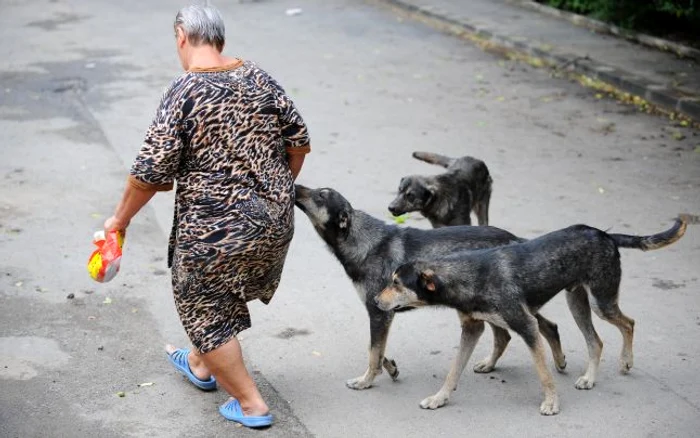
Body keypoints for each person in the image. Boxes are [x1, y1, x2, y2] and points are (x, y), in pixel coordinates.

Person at [103, 3, 310, 428]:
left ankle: (251, 404)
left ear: (181, 36)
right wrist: (275, 193)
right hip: (274, 222)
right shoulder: (259, 77)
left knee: (201, 303)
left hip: (214, 232)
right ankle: (201, 364)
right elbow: (299, 142)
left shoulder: (184, 91)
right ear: (220, 39)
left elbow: (148, 174)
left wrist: (118, 222)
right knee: (219, 294)